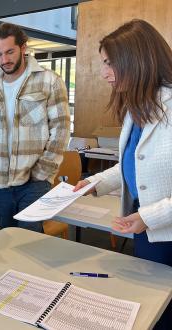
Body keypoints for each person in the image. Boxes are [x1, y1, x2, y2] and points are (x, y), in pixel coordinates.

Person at [73, 19, 172, 329]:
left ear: (137, 59)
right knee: (150, 311)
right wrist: (94, 181)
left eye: (109, 63)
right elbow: (131, 164)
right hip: (147, 230)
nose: (104, 73)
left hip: (162, 229)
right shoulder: (136, 107)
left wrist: (149, 217)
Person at [0, 23, 70, 232]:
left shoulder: (49, 81)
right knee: (7, 239)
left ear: (23, 48)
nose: (5, 60)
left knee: (30, 243)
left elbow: (61, 129)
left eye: (10, 52)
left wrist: (43, 171)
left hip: (34, 181)